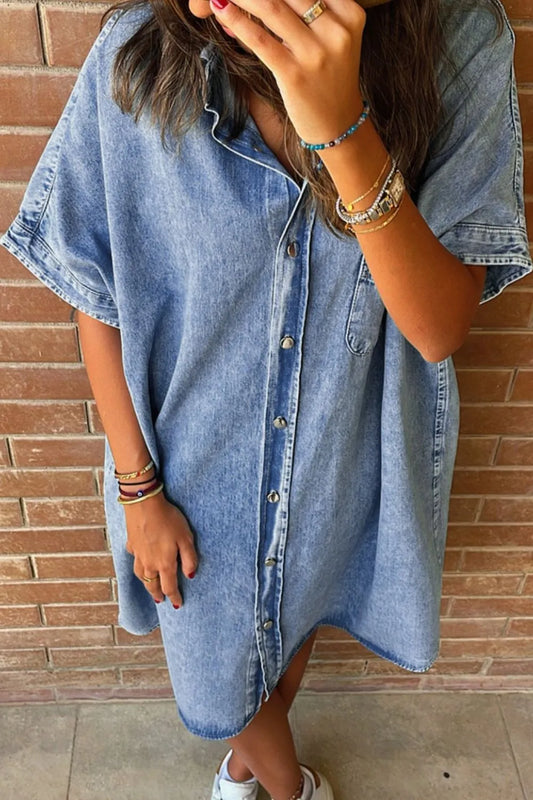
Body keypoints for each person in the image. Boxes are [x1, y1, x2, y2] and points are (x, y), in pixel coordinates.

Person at [2, 0, 532, 796]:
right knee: (218, 689)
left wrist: (342, 129)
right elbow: (99, 295)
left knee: (288, 629)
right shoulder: (143, 51)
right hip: (183, 477)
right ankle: (291, 790)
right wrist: (137, 489)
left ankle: (244, 776)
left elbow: (436, 328)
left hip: (338, 460)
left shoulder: (458, 41)